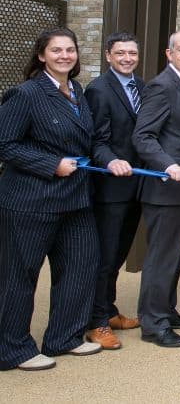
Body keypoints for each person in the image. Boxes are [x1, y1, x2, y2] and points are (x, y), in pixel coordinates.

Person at [0, 28, 102, 371]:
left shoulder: (78, 91)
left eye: (70, 50)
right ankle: (11, 349)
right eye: (56, 50)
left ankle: (64, 337)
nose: (64, 55)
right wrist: (50, 164)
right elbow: (6, 145)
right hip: (31, 200)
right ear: (41, 55)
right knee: (19, 275)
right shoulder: (26, 94)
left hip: (75, 200)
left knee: (79, 266)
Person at [132, 29, 180, 348]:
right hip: (165, 188)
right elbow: (143, 136)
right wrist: (168, 165)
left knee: (176, 255)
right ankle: (153, 323)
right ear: (169, 53)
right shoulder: (161, 87)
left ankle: (167, 309)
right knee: (161, 258)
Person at [83, 32, 145, 351]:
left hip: (136, 187)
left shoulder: (142, 87)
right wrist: (112, 161)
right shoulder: (98, 89)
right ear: (108, 55)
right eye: (120, 53)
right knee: (104, 258)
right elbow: (96, 141)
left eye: (132, 53)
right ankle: (96, 322)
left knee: (118, 255)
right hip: (110, 188)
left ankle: (110, 310)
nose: (126, 58)